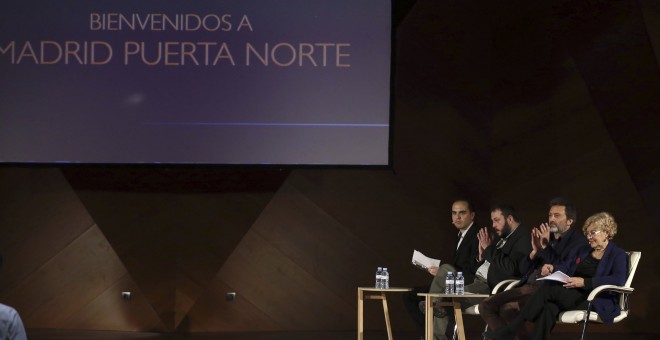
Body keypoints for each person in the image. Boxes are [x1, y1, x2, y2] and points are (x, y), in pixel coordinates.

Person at [484, 212, 628, 340]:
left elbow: (619, 279)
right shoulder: (584, 250)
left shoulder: (618, 254)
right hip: (572, 294)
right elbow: (567, 265)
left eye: (593, 233)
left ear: (606, 231)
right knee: (549, 309)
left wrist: (585, 282)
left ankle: (512, 328)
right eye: (587, 234)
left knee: (548, 289)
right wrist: (553, 267)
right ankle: (513, 330)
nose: (589, 237)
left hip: (594, 298)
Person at [479, 197, 588, 339]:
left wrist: (545, 247)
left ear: (570, 221)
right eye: (550, 215)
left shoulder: (578, 243)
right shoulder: (547, 238)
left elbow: (565, 270)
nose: (551, 219)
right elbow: (523, 270)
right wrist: (534, 252)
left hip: (547, 289)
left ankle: (502, 336)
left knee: (502, 308)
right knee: (487, 306)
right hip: (528, 285)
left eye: (557, 215)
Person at [428, 204, 532, 340]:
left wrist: (489, 250)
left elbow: (512, 268)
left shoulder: (523, 237)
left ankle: (435, 304)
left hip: (492, 287)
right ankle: (435, 304)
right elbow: (491, 260)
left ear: (510, 219)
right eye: (492, 221)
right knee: (445, 296)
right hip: (479, 280)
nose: (493, 225)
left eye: (496, 220)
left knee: (447, 300)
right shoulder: (503, 235)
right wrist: (482, 256)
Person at [403, 198, 480, 339]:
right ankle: (427, 335)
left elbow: (473, 271)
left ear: (472, 215)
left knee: (439, 289)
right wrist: (440, 273)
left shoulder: (477, 235)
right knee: (411, 295)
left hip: (465, 284)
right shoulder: (460, 236)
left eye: (462, 213)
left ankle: (434, 308)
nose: (457, 217)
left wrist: (444, 273)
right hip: (450, 282)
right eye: (454, 213)